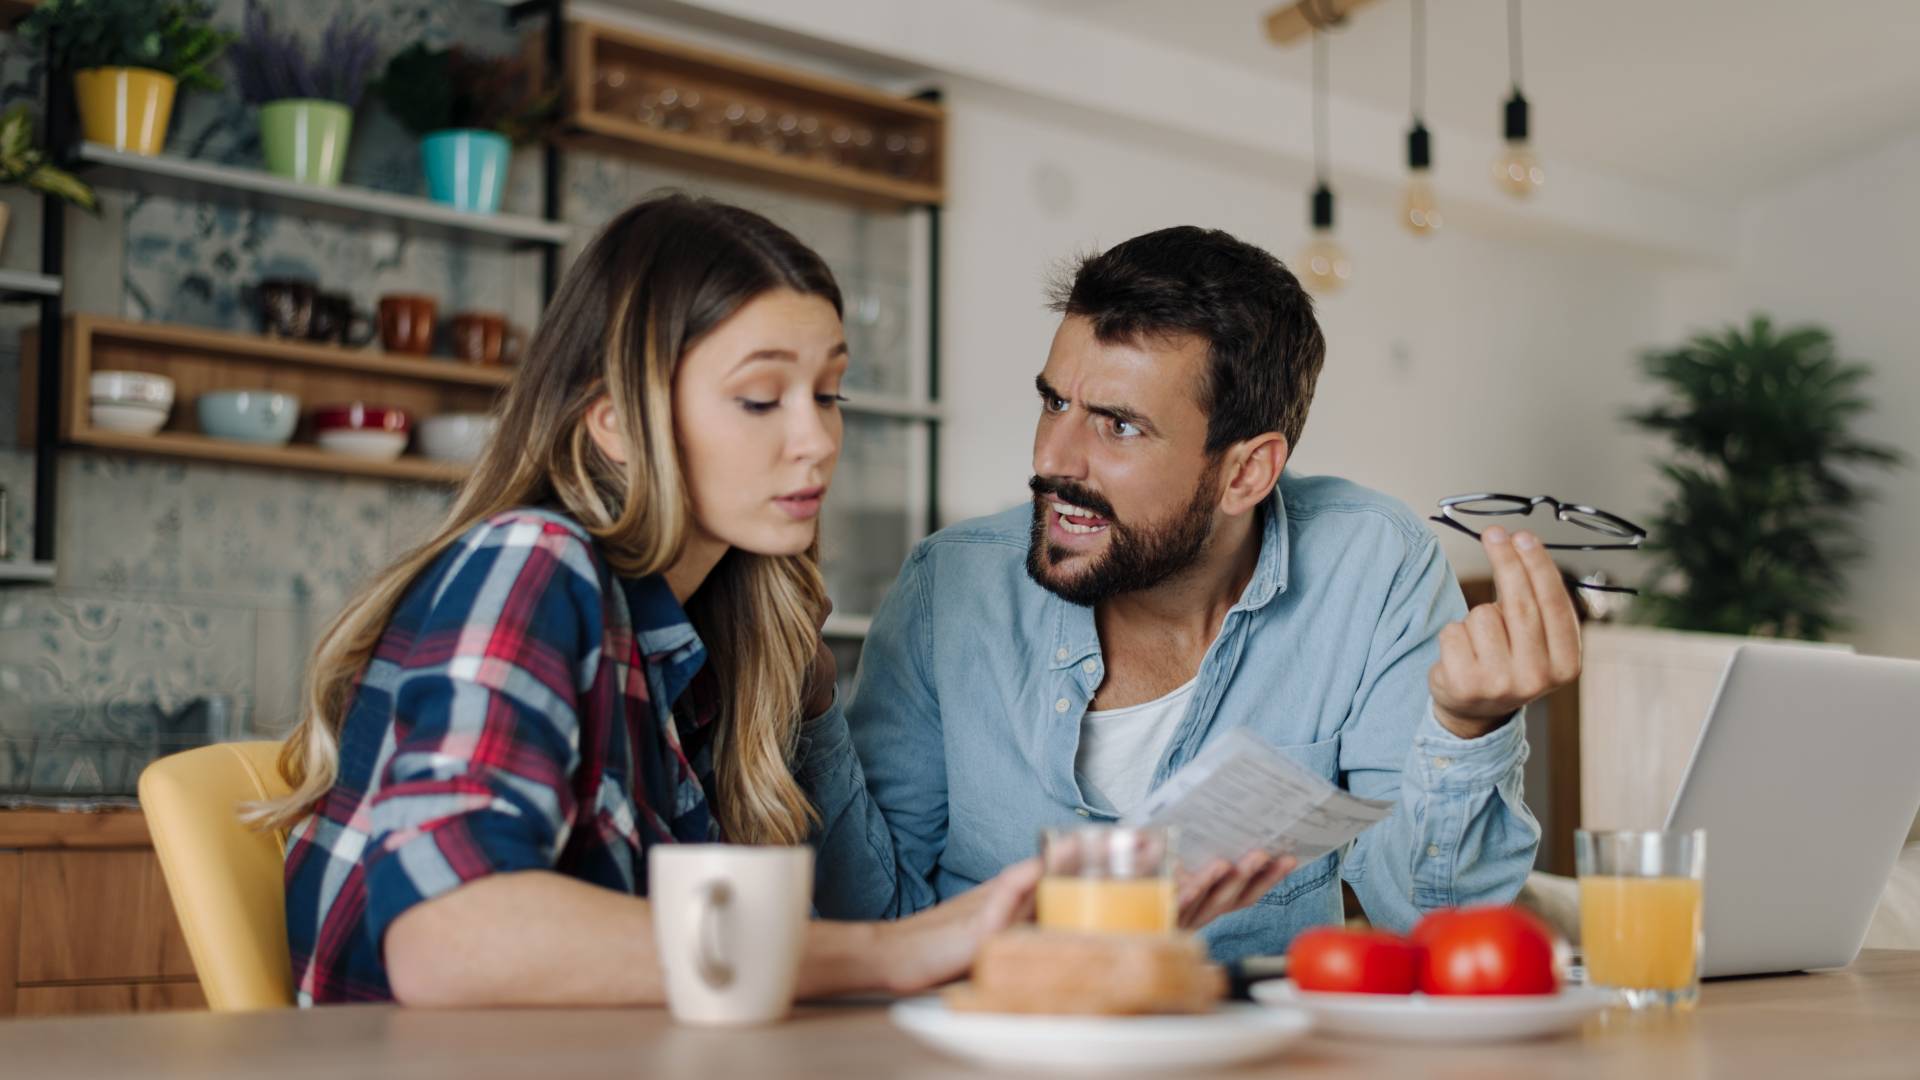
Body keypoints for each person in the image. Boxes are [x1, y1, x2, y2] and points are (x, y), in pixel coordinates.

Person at [260, 194, 1038, 1007]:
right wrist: (887, 953)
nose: (816, 439)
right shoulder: (533, 561)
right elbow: (449, 937)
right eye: (761, 398)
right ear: (617, 424)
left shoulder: (698, 644)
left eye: (830, 393)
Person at [803, 225, 1578, 960]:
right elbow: (876, 920)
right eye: (1054, 402)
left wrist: (1468, 727)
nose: (1053, 458)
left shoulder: (1372, 568)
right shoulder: (950, 587)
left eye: (1119, 427)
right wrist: (807, 706)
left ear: (1246, 472)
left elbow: (1432, 920)